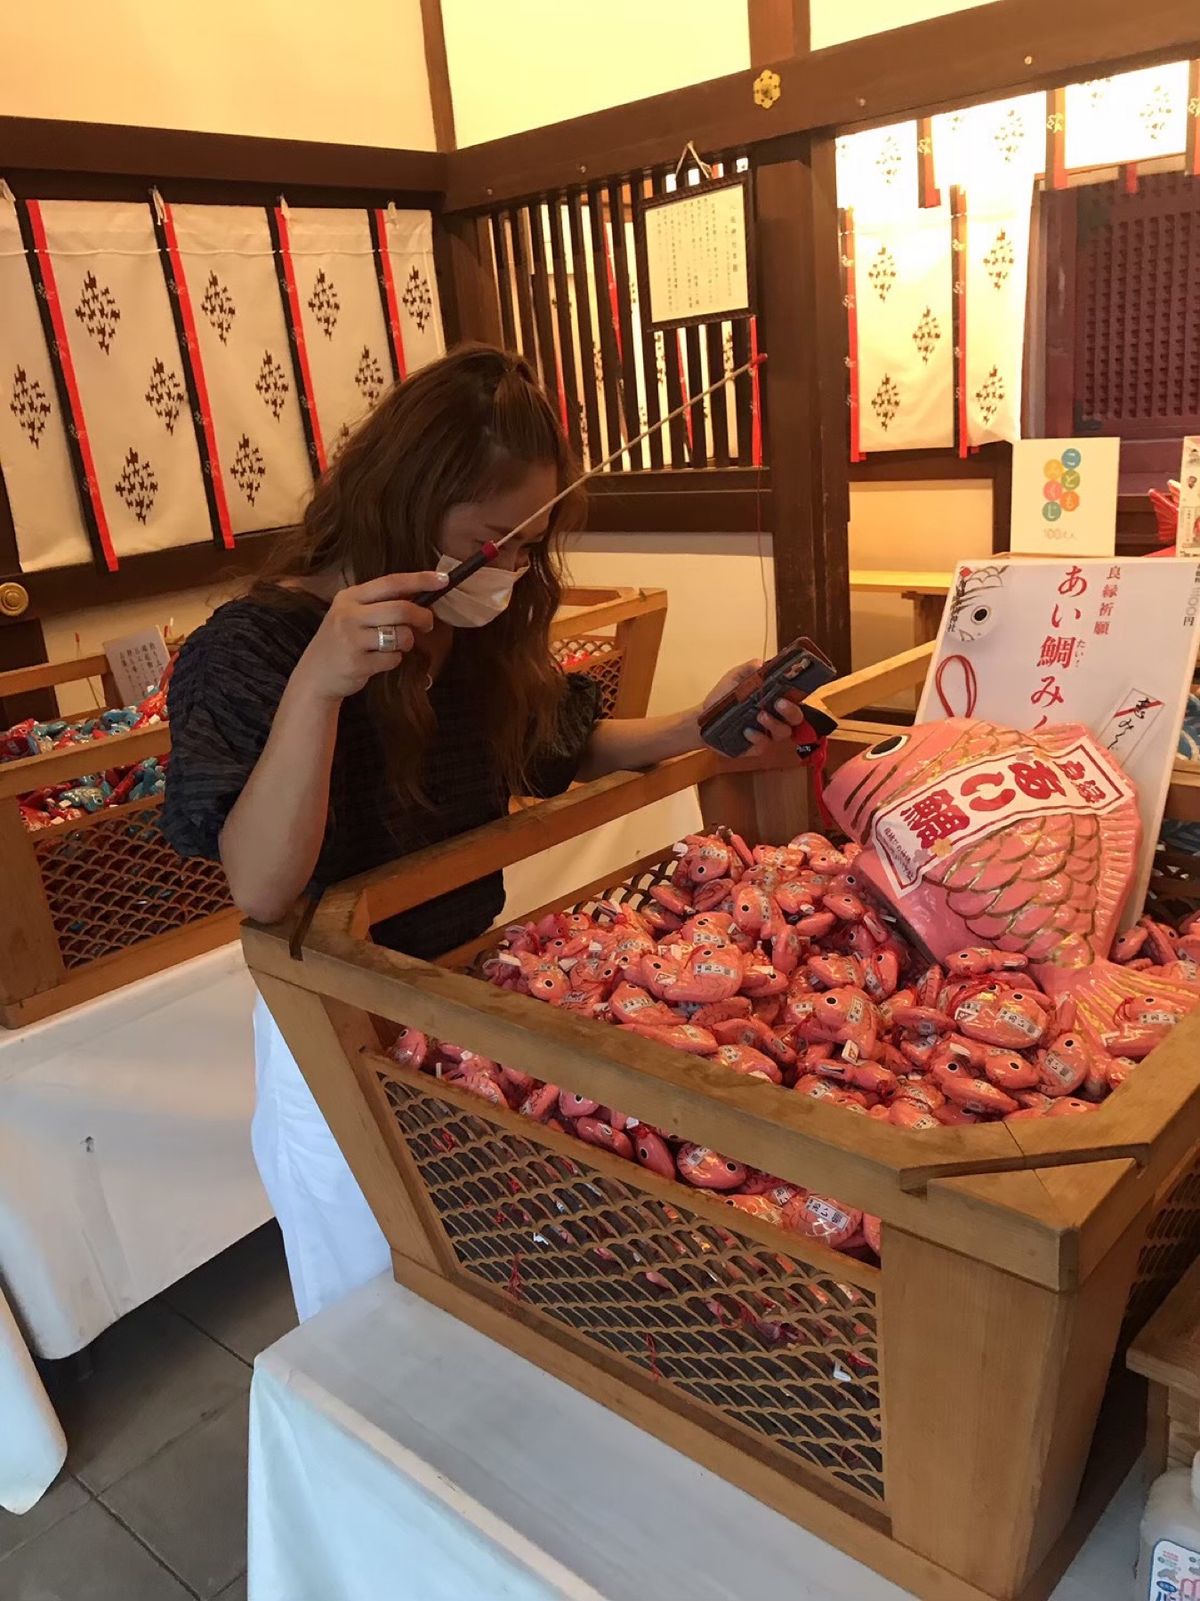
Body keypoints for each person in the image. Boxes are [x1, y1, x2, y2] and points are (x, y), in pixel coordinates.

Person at [162, 344, 809, 1321]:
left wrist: (693, 730)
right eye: (490, 536)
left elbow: (557, 744)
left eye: (527, 540)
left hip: (467, 996)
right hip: (331, 1020)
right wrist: (320, 684)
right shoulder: (246, 650)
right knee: (372, 1293)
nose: (507, 565)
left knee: (482, 1275)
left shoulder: (471, 631)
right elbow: (260, 883)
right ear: (402, 497)